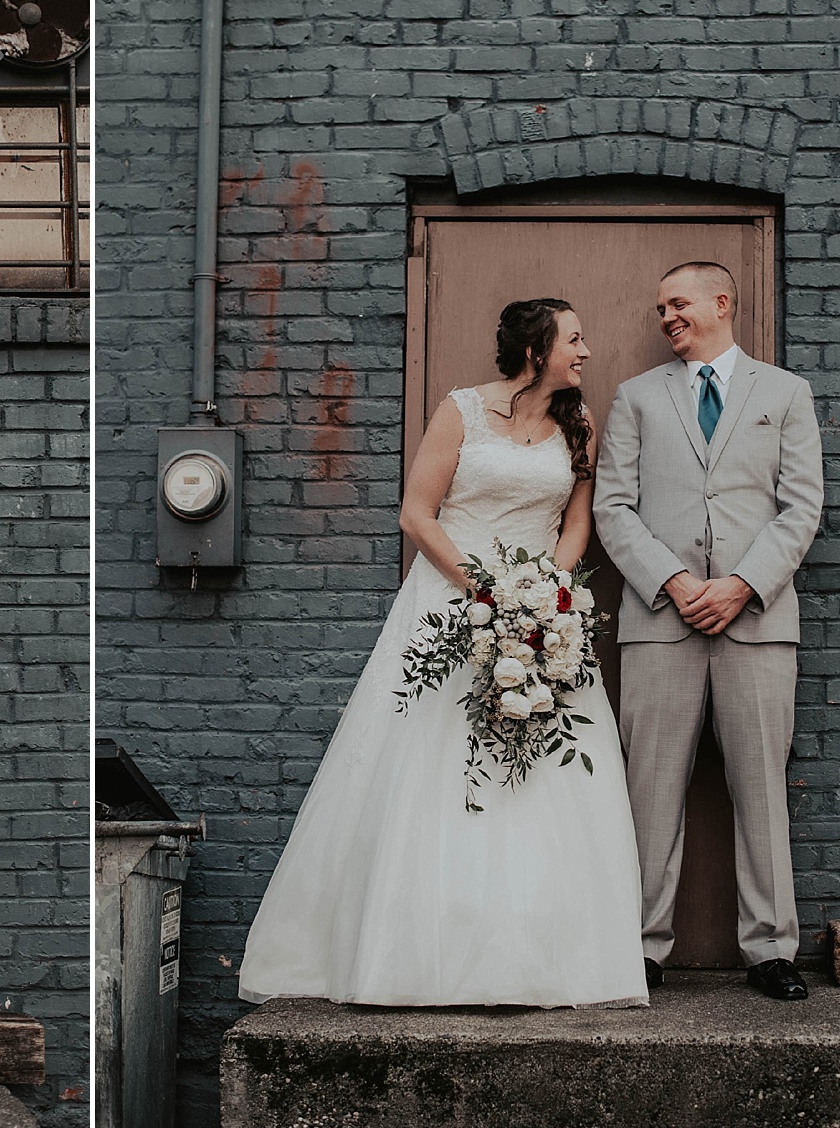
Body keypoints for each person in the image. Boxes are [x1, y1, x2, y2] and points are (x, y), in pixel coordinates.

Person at [239, 300, 647, 1009]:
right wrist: (488, 592)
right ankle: (415, 955)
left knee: (543, 771)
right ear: (537, 348)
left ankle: (538, 956)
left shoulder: (578, 422)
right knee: (432, 765)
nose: (586, 351)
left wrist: (545, 599)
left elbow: (577, 522)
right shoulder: (461, 410)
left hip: (540, 613)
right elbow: (417, 514)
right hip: (451, 602)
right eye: (575, 339)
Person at [593, 261, 824, 1002]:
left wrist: (743, 584)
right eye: (661, 308)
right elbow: (612, 507)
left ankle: (770, 950)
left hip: (757, 622)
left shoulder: (785, 394)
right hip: (662, 621)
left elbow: (801, 507)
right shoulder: (637, 397)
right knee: (651, 789)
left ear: (722, 302)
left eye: (678, 303)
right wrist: (674, 582)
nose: (667, 317)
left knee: (761, 788)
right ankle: (639, 946)